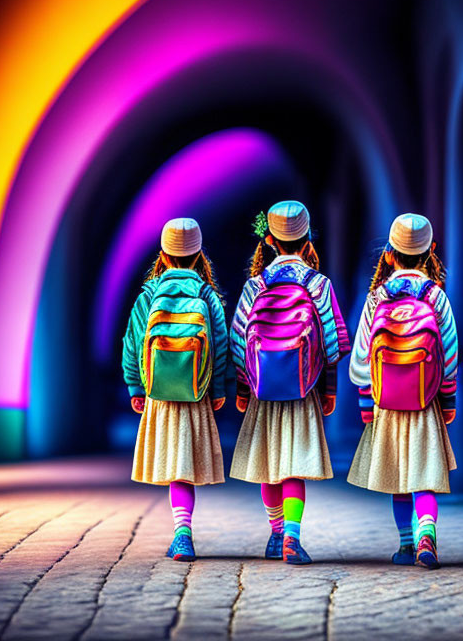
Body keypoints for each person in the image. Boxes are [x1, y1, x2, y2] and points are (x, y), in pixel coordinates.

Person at [229, 200, 350, 565]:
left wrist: (243, 387)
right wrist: (329, 389)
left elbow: (238, 341)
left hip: (263, 389)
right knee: (295, 465)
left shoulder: (255, 285)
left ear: (268, 241)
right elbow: (332, 343)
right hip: (303, 387)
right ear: (308, 239)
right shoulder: (318, 283)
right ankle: (293, 538)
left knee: (270, 465)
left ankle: (277, 531)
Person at [347, 213, 458, 570]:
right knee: (424, 474)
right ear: (430, 253)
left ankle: (406, 545)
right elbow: (450, 352)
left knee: (398, 475)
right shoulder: (435, 295)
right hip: (425, 399)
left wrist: (367, 401)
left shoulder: (378, 296)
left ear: (390, 255)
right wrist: (448, 398)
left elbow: (362, 354)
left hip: (387, 401)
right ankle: (427, 533)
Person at [122, 218, 229, 562]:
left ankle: (182, 534)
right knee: (186, 465)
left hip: (160, 394)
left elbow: (132, 343)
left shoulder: (148, 295)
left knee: (173, 469)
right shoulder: (207, 295)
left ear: (164, 256)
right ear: (199, 256)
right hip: (196, 391)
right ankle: (184, 532)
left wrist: (135, 385)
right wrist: (219, 388)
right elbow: (222, 344)